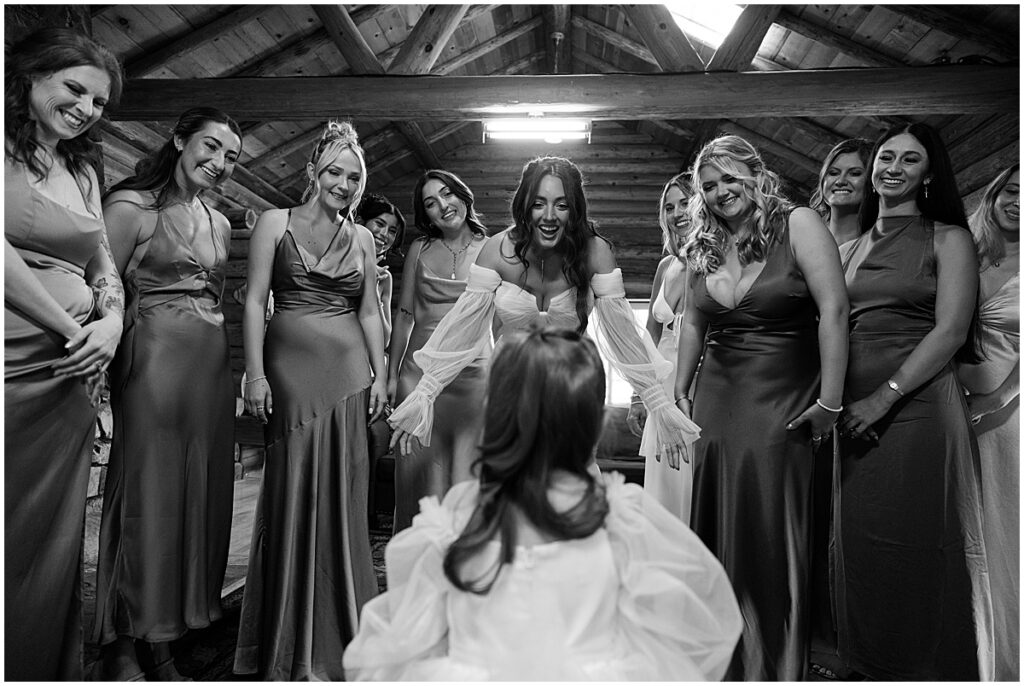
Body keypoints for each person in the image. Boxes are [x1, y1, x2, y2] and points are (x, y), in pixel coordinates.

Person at [344, 326, 742, 680]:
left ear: (493, 418)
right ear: (595, 426)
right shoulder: (621, 527)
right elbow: (685, 633)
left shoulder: (454, 525)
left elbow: (407, 643)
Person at [388, 156, 699, 474]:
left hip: (573, 387)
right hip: (511, 389)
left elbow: (623, 334)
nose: (549, 216)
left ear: (575, 208)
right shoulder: (497, 251)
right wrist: (424, 393)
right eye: (539, 204)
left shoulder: (595, 252)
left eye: (561, 205)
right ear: (524, 204)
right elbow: (462, 327)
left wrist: (657, 402)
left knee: (567, 492)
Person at [674, 134, 849, 680]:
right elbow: (693, 321)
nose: (721, 192)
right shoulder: (700, 243)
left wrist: (831, 401)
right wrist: (680, 389)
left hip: (784, 400)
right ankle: (721, 658)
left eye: (730, 178)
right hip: (715, 403)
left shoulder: (798, 223)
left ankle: (774, 660)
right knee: (716, 520)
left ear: (755, 172)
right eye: (709, 186)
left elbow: (835, 310)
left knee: (773, 526)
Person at [834, 123, 992, 680]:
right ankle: (867, 667)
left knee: (919, 546)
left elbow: (950, 332)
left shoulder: (947, 237)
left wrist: (884, 397)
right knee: (861, 548)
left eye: (910, 159)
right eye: (886, 157)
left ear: (928, 174)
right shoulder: (850, 246)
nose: (892, 168)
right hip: (850, 413)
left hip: (917, 408)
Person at [91, 107, 242, 681]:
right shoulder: (131, 207)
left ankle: (167, 631)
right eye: (210, 147)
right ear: (179, 140)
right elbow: (99, 286)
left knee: (193, 494)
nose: (219, 163)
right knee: (146, 494)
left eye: (231, 156)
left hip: (208, 368)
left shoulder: (221, 222)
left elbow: (217, 296)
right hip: (151, 361)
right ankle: (124, 641)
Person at [234, 121, 385, 680]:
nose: (344, 184)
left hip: (349, 371)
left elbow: (368, 310)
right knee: (294, 481)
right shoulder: (275, 223)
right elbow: (254, 301)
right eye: (334, 173)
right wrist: (254, 374)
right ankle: (286, 630)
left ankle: (339, 625)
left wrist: (381, 376)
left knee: (345, 488)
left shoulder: (364, 239)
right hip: (290, 371)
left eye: (353, 176)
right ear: (313, 173)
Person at [4, 27, 124, 681]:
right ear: (30, 76)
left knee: (52, 550)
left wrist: (112, 321)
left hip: (71, 379)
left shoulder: (82, 168)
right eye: (74, 89)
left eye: (99, 102)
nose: (85, 108)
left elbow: (103, 260)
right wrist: (72, 329)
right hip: (11, 364)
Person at [387, 170, 490, 532]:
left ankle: (465, 572)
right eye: (431, 203)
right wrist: (391, 375)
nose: (443, 206)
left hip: (473, 379)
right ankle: (417, 571)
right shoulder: (419, 249)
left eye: (448, 195)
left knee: (467, 480)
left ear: (464, 196)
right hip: (418, 378)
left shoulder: (492, 250)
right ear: (425, 214)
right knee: (418, 480)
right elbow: (403, 315)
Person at [806, 136, 873, 680]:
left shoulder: (877, 244)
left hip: (856, 381)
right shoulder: (802, 234)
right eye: (835, 170)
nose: (842, 180)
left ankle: (842, 638)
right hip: (796, 380)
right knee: (804, 509)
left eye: (855, 172)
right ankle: (804, 628)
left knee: (846, 511)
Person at [959, 163, 1019, 682]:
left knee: (1000, 533)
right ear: (995, 194)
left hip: (1007, 419)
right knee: (956, 529)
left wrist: (996, 399)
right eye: (1012, 190)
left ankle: (1004, 662)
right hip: (947, 406)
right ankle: (962, 648)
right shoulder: (968, 254)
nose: (1017, 202)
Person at [627, 172, 694, 522]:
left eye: (685, 202)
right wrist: (639, 395)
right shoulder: (667, 265)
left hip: (702, 379)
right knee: (665, 484)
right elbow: (650, 335)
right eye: (669, 207)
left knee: (695, 481)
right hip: (661, 387)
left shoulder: (719, 258)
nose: (677, 212)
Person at [356, 192, 405, 343]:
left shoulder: (384, 278)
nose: (384, 234)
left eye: (392, 231)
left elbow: (385, 340)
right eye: (380, 224)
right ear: (360, 222)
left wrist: (374, 292)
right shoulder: (336, 261)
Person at [810, 138, 873, 248]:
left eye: (855, 173)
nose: (840, 181)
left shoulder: (882, 242)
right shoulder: (803, 235)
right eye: (833, 173)